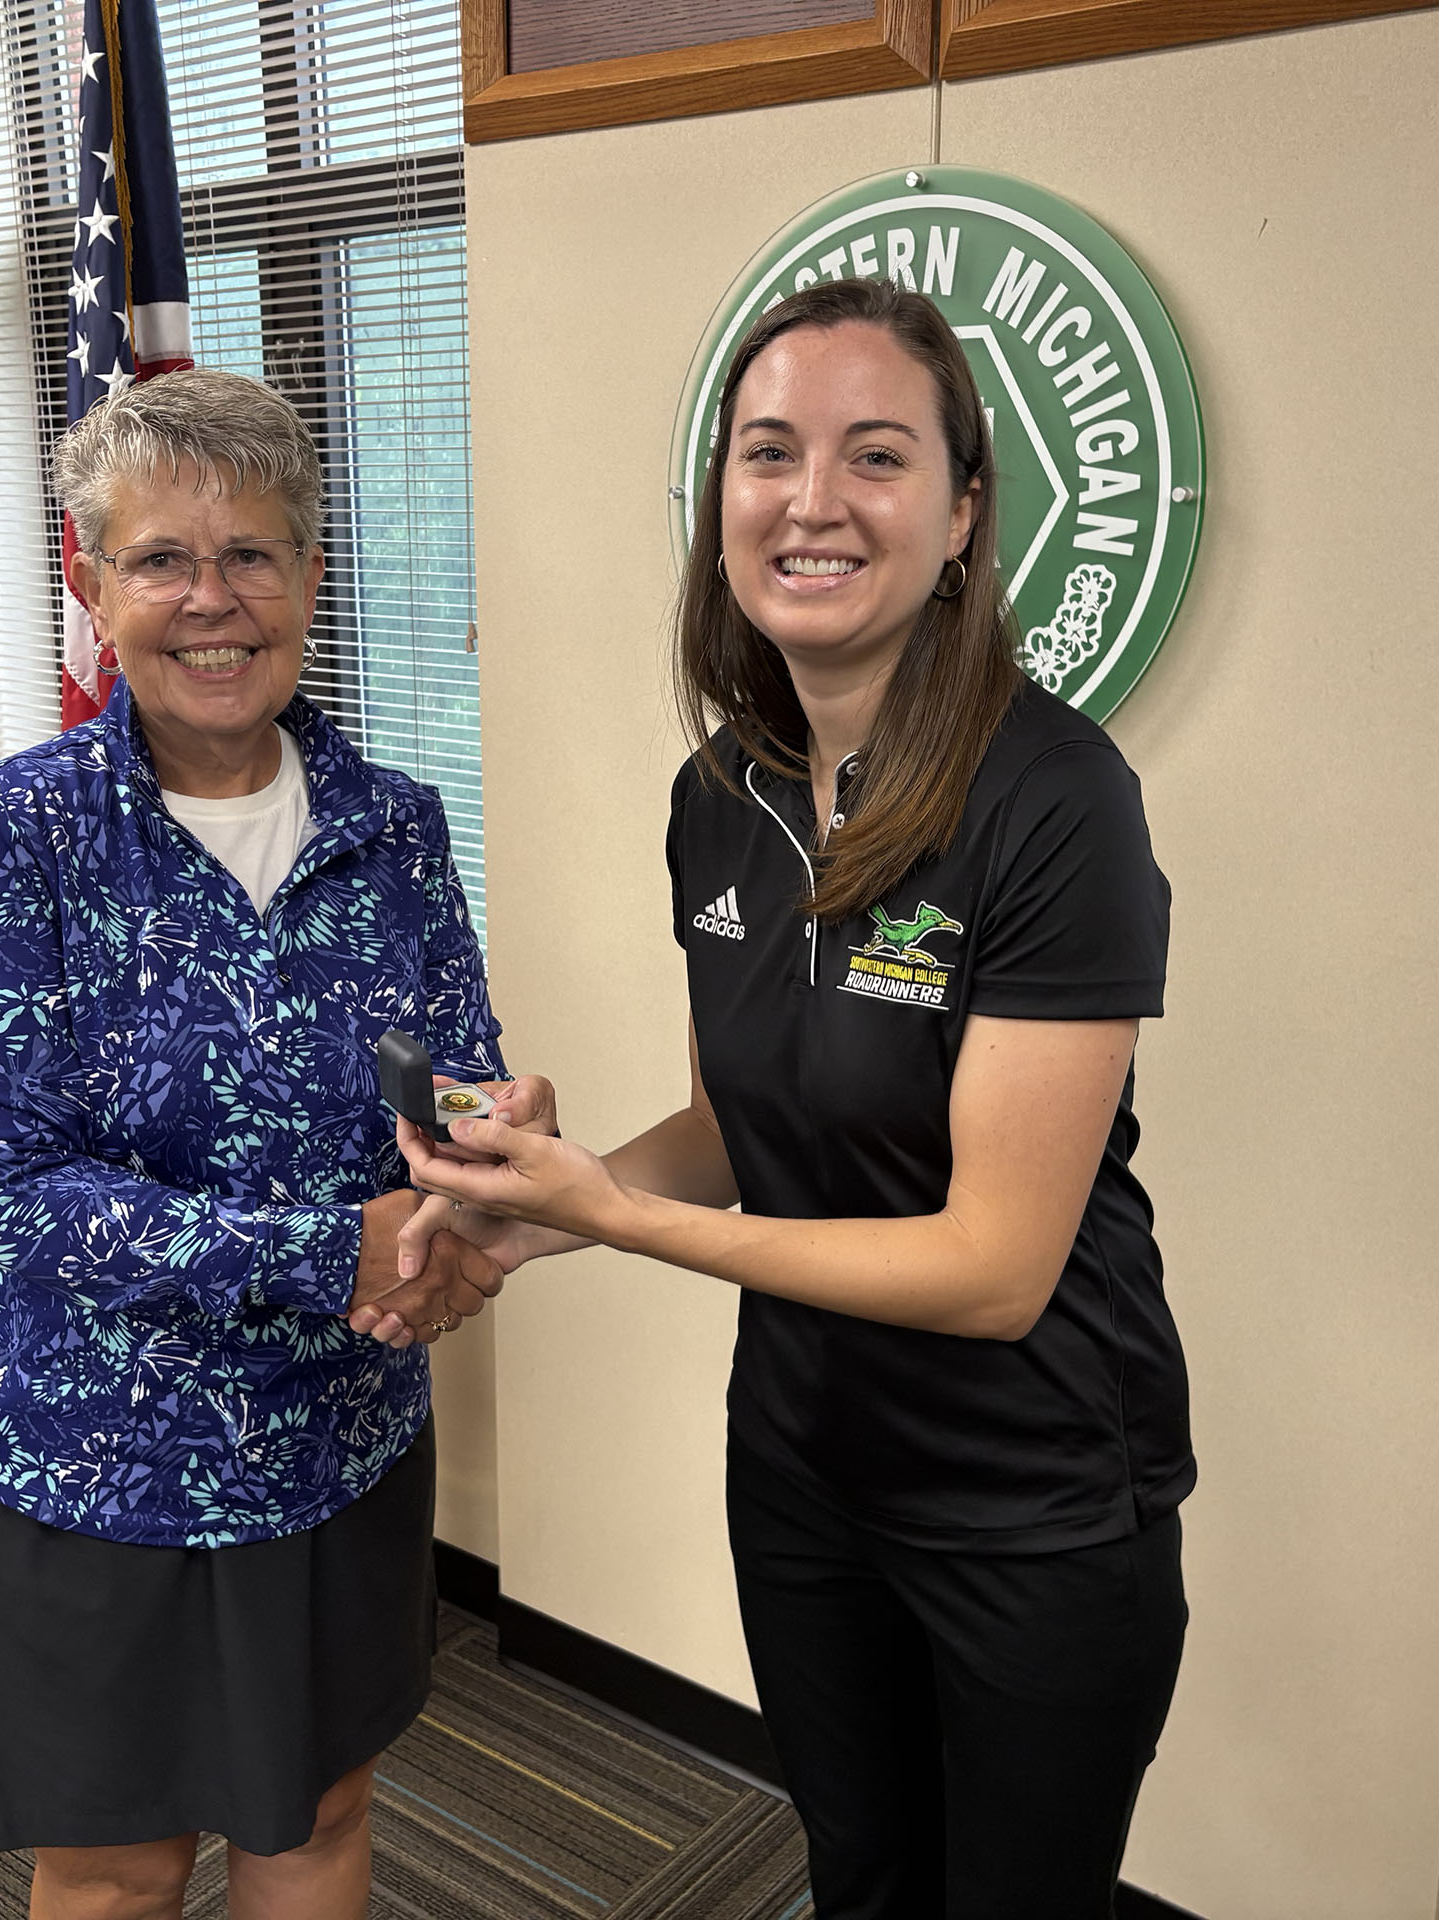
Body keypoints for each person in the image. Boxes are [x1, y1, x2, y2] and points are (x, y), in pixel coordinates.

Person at [375, 278, 1192, 1920]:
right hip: (806, 1473)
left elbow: (994, 1267)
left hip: (1028, 1503)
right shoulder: (719, 795)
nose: (812, 499)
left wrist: (623, 1221)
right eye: (769, 454)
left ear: (962, 516)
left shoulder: (1057, 801)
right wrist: (541, 1207)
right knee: (861, 1880)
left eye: (875, 455)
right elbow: (736, 1130)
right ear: (721, 507)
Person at [0, 365, 546, 1920]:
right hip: (97, 1460)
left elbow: (448, 1074)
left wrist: (481, 1173)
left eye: (252, 553)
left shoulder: (395, 823)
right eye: (161, 561)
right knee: (117, 1864)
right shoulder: (13, 833)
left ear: (310, 578)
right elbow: (7, 1193)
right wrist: (338, 1254)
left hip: (340, 1437)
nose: (213, 600)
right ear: (91, 587)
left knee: (317, 1814)